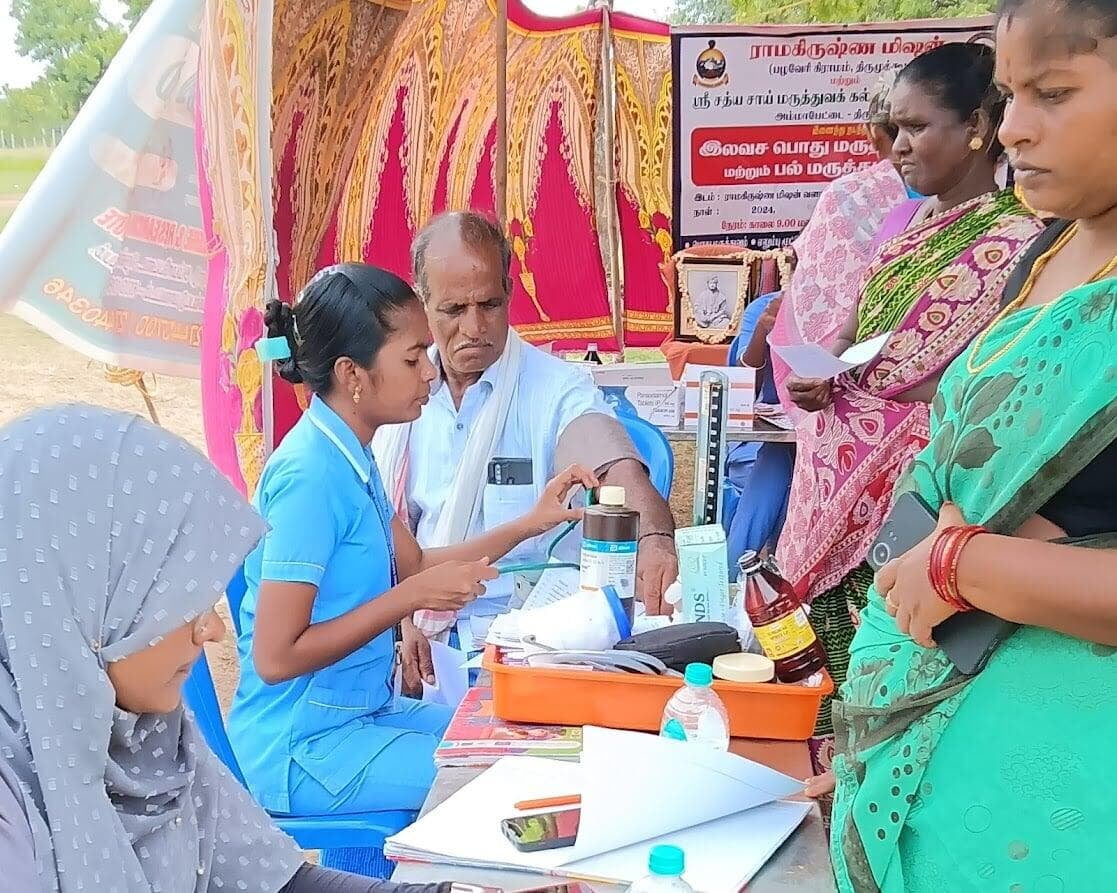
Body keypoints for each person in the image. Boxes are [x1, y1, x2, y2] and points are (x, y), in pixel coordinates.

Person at [816, 2, 1117, 887]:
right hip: (930, 763)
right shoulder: (1049, 252)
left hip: (1066, 813)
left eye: (1054, 93)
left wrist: (958, 566)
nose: (1014, 128)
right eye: (1011, 93)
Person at [0, 404, 453, 893]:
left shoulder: (152, 740)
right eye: (176, 600)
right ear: (86, 598)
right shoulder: (13, 809)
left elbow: (279, 883)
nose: (212, 630)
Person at [228, 263, 596, 822]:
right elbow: (276, 658)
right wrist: (413, 597)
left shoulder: (351, 454)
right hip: (303, 749)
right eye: (413, 357)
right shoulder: (310, 477)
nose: (431, 371)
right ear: (353, 375)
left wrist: (532, 522)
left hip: (361, 717)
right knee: (520, 778)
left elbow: (417, 562)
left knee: (544, 742)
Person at [775, 42, 1046, 774]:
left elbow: (989, 379)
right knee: (821, 677)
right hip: (838, 471)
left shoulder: (1019, 244)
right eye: (893, 128)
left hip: (916, 500)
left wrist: (881, 391)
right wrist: (827, 374)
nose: (897, 146)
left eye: (917, 127)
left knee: (893, 682)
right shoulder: (909, 223)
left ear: (977, 130)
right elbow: (865, 333)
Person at [373, 212, 679, 671]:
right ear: (423, 305)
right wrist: (400, 621)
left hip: (531, 641)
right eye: (454, 310)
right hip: (417, 632)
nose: (475, 328)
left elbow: (615, 467)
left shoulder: (557, 389)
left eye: (490, 305)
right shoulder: (401, 393)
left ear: (510, 293)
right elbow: (383, 538)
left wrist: (655, 538)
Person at [768, 72, 911, 424]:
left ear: (875, 134)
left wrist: (824, 369)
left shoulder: (847, 197)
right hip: (929, 395)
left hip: (845, 388)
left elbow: (810, 304)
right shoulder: (1010, 212)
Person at [724, 291, 795, 568]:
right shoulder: (766, 308)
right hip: (761, 444)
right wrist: (763, 333)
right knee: (777, 457)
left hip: (825, 446)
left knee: (796, 482)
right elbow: (742, 386)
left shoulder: (850, 308)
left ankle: (735, 573)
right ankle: (771, 572)